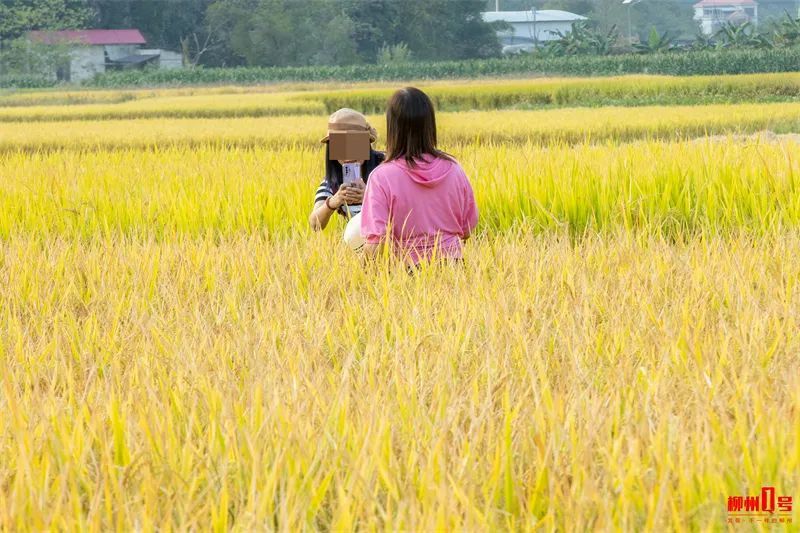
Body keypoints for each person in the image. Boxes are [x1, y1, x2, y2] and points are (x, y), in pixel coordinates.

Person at [360, 87, 478, 266]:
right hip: (455, 267)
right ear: (430, 124)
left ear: (393, 126)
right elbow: (467, 229)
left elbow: (377, 242)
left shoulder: (381, 177)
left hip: (405, 272)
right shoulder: (454, 169)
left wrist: (358, 276)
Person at [308, 108, 385, 243]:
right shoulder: (332, 181)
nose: (348, 155)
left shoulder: (386, 167)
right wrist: (333, 202)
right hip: (362, 246)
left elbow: (409, 209)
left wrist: (369, 197)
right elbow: (314, 224)